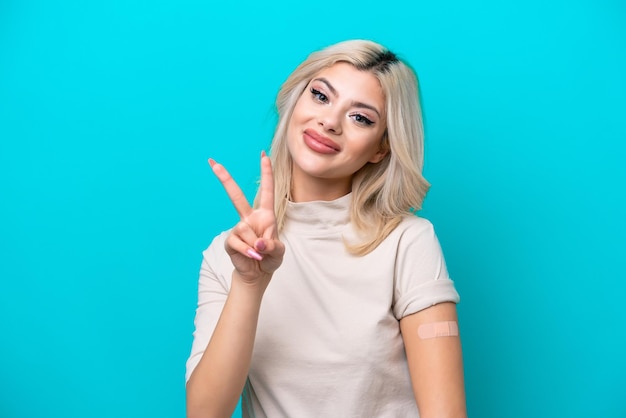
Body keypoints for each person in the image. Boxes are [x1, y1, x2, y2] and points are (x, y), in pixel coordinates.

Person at [186, 39, 466, 418]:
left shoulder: (407, 242)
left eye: (360, 118)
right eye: (320, 96)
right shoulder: (228, 255)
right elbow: (204, 413)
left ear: (380, 149)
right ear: (295, 101)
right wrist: (249, 283)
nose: (330, 122)